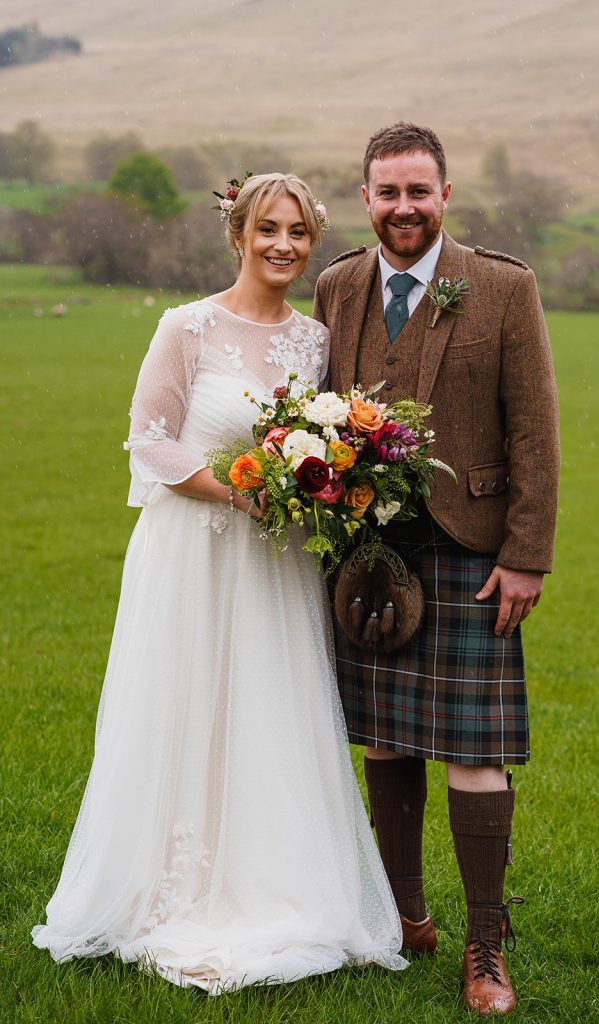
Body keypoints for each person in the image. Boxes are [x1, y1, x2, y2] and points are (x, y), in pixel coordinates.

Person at [32, 173, 408, 993]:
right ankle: (163, 882)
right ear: (237, 234)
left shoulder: (314, 343)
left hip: (273, 563)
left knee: (266, 705)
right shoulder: (186, 327)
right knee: (183, 702)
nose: (284, 245)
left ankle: (272, 877)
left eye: (299, 233)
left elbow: (327, 445)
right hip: (192, 551)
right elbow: (150, 443)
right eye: (268, 229)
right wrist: (242, 490)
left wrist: (317, 485)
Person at [313, 123, 560, 1015]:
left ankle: (484, 945)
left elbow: (533, 427)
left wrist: (526, 553)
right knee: (383, 737)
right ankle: (403, 914)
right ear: (366, 198)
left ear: (444, 195)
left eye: (418, 192)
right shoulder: (337, 284)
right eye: (387, 193)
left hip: (469, 553)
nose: (403, 208)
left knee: (474, 753)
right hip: (366, 558)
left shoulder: (501, 285)